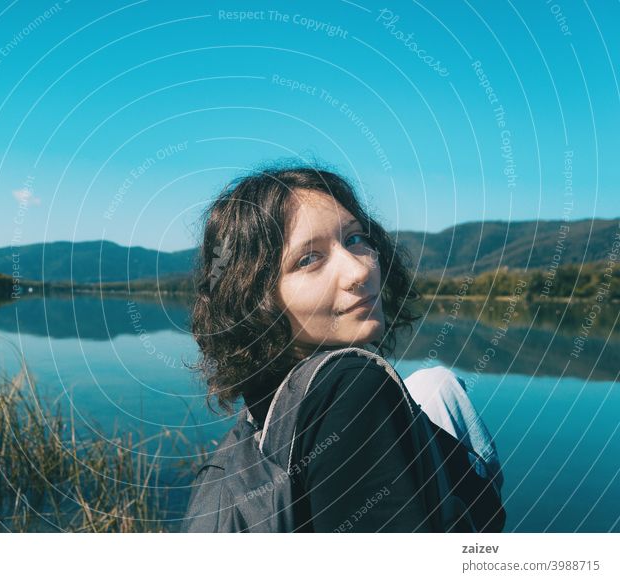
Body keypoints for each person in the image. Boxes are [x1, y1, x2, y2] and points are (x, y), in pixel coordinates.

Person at [189, 163, 504, 532]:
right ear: (257, 296)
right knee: (443, 387)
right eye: (309, 259)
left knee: (436, 383)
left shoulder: (261, 404)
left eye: (354, 239)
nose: (359, 271)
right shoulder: (352, 385)